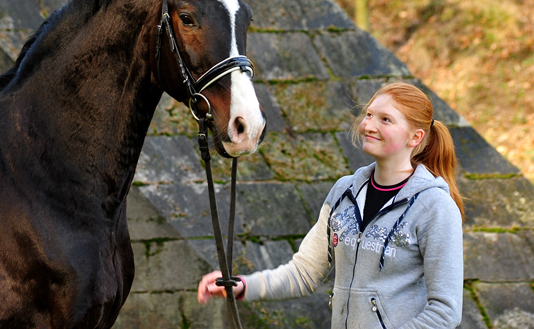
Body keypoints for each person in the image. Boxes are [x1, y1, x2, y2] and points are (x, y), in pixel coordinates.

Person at [198, 82, 464, 328]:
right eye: (369, 115)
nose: (369, 125)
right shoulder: (344, 191)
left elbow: (445, 311)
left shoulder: (435, 207)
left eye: (385, 120)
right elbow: (304, 273)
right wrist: (243, 285)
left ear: (415, 137)